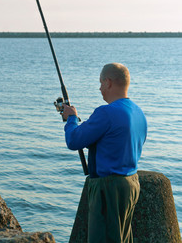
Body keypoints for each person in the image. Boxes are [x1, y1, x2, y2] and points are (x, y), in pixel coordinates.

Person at [62, 63, 147, 243]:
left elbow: (74, 141)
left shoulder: (106, 112)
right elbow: (113, 141)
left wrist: (71, 119)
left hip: (108, 189)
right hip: (131, 184)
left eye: (101, 83)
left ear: (108, 82)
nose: (100, 88)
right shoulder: (138, 113)